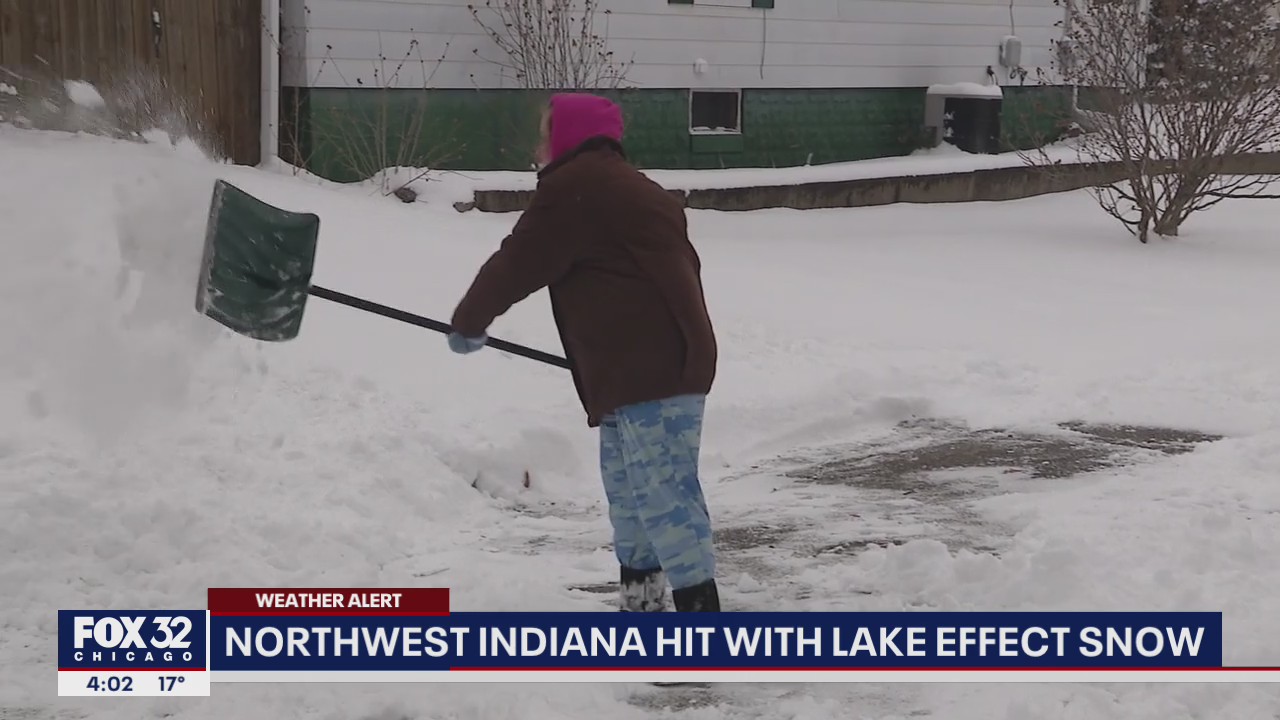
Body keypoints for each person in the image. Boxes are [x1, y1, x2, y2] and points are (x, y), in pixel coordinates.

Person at [447, 93, 721, 613]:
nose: (537, 145)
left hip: (653, 372)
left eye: (546, 132)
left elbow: (519, 262)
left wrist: (469, 321)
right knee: (633, 499)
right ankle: (641, 610)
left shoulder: (580, 189)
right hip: (638, 372)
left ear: (569, 137)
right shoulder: (621, 186)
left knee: (666, 501)